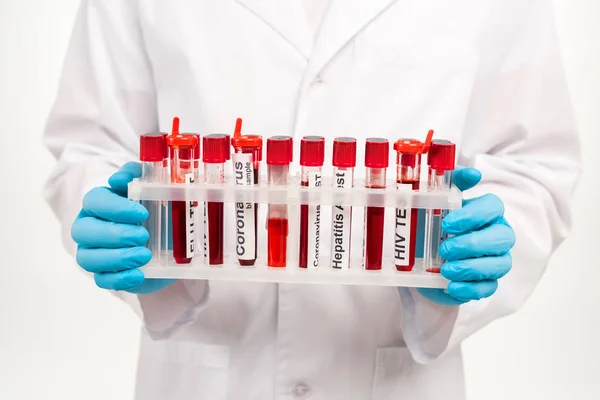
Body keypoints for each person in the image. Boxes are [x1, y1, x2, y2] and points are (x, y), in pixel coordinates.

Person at [43, 1, 581, 399]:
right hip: (205, 370)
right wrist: (144, 239)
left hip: (393, 376)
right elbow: (92, 144)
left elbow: (533, 163)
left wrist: (463, 262)